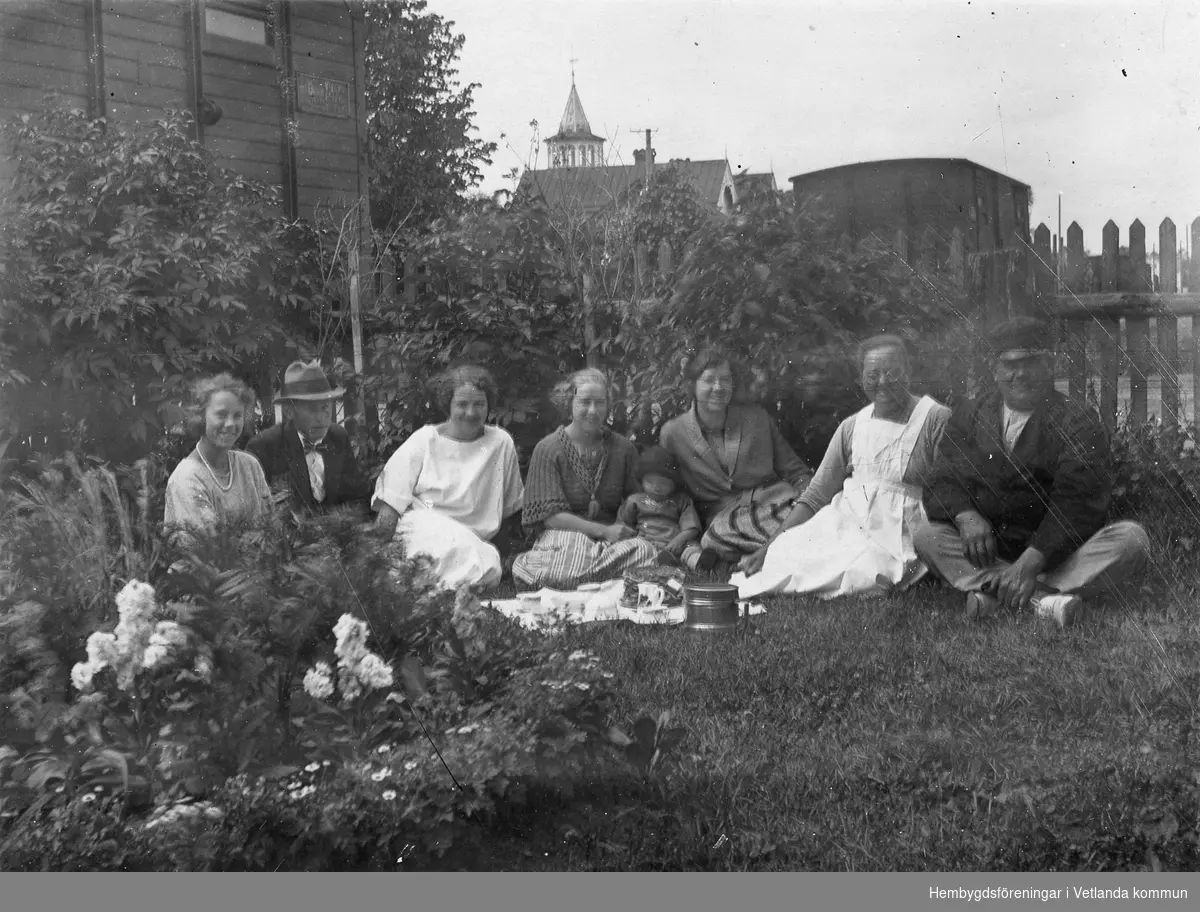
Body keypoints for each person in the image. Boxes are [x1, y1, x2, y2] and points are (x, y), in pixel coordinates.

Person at [914, 316, 1151, 627]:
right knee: (926, 536)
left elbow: (1078, 502)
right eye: (1010, 365)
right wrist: (965, 516)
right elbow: (941, 479)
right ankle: (1044, 600)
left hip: (1056, 556)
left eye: (1031, 363)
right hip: (990, 553)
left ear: (1050, 367)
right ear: (996, 370)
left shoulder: (1078, 419)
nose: (1020, 374)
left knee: (1132, 540)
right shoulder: (969, 415)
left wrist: (1031, 562)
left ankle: (998, 594)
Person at [730, 335, 951, 599]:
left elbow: (951, 487)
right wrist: (768, 547)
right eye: (872, 375)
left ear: (908, 371)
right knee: (788, 551)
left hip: (897, 536)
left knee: (866, 571)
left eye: (892, 372)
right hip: (847, 524)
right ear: (861, 378)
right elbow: (816, 494)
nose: (882, 382)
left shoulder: (933, 418)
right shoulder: (853, 426)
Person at [370, 365, 524, 591]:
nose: (470, 413)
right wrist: (374, 556)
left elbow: (511, 507)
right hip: (424, 527)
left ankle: (428, 587)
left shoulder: (501, 442)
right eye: (462, 404)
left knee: (490, 565)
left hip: (472, 540)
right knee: (451, 556)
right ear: (448, 405)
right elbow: (391, 503)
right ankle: (429, 586)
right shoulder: (425, 440)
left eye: (479, 404)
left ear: (488, 405)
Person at [659, 348, 814, 565]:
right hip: (723, 524)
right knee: (715, 539)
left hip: (774, 506)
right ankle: (781, 553)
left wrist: (809, 503)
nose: (718, 387)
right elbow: (671, 494)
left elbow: (797, 473)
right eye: (708, 380)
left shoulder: (758, 419)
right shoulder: (673, 433)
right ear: (692, 385)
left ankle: (774, 552)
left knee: (805, 525)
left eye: (725, 379)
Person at [513, 368, 659, 590]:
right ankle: (604, 580)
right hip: (565, 539)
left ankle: (572, 579)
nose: (593, 411)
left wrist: (622, 528)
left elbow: (636, 500)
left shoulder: (623, 448)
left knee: (645, 551)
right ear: (569, 403)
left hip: (608, 544)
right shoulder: (548, 448)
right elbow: (551, 518)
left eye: (599, 403)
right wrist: (602, 531)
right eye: (584, 402)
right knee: (573, 551)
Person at [245, 360, 372, 515]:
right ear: (289, 412)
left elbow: (357, 495)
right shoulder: (265, 446)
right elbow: (258, 511)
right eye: (312, 409)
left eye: (325, 407)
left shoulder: (338, 437)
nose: (321, 417)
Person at [164, 373, 272, 544]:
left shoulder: (249, 465)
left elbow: (270, 525)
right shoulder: (187, 479)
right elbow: (206, 551)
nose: (230, 424)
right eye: (221, 415)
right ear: (201, 417)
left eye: (237, 416)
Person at [617, 446, 710, 570]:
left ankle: (699, 562)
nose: (656, 487)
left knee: (691, 548)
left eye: (663, 483)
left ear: (674, 484)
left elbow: (692, 528)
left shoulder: (681, 501)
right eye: (650, 482)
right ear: (641, 480)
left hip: (676, 543)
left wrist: (679, 540)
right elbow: (624, 526)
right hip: (647, 543)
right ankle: (658, 562)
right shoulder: (635, 501)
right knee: (636, 548)